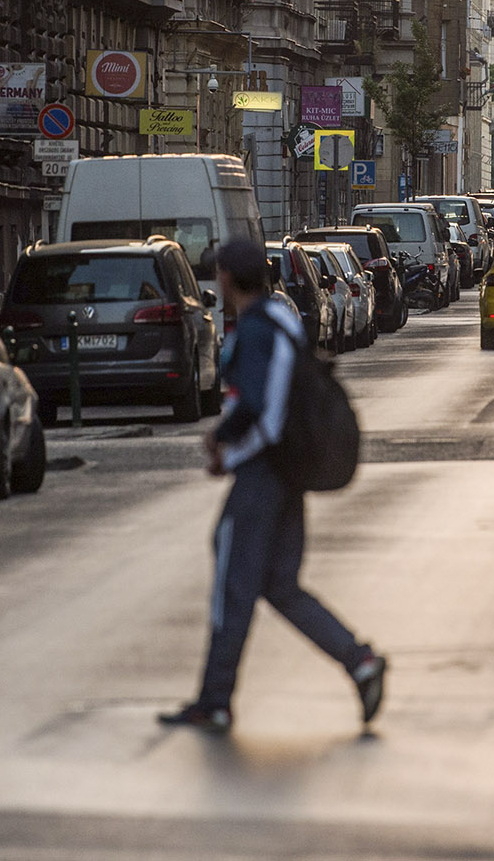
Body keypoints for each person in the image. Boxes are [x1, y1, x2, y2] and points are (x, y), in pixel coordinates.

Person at [158, 237, 384, 735]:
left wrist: (224, 447)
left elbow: (260, 406)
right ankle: (359, 661)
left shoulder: (257, 330)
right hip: (291, 471)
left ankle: (214, 701)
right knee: (279, 585)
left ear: (227, 279)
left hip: (264, 474)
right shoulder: (281, 319)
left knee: (231, 583)